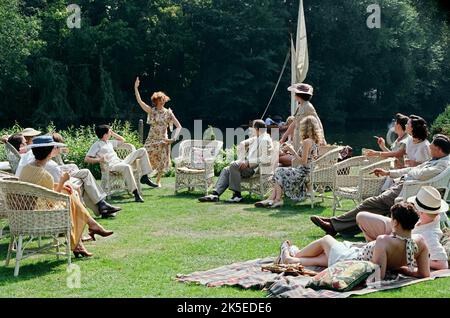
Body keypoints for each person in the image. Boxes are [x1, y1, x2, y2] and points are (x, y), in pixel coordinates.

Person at [310, 134, 450, 237]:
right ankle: (338, 226)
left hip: (410, 191)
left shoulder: (442, 164)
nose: (430, 146)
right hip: (406, 186)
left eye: (432, 145)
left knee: (371, 203)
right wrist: (388, 172)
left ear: (438, 149)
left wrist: (414, 168)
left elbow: (418, 174)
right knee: (375, 208)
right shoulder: (436, 160)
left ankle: (335, 224)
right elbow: (412, 170)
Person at [277, 202, 430, 280]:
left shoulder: (384, 241)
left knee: (326, 240)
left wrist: (394, 268)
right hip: (354, 255)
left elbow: (378, 277)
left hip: (351, 261)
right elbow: (424, 274)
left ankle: (293, 256)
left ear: (395, 222)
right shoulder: (420, 242)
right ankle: (292, 259)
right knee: (324, 258)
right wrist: (400, 268)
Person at [19, 136, 114, 258]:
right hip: (39, 213)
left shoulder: (27, 168)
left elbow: (39, 188)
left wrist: (61, 186)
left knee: (70, 194)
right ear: (48, 153)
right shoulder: (45, 175)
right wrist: (63, 181)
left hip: (24, 210)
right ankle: (87, 233)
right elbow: (52, 200)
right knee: (70, 198)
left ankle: (84, 237)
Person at [357, 186, 449, 270]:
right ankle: (374, 249)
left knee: (379, 240)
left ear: (421, 212)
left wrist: (415, 261)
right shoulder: (431, 217)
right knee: (362, 217)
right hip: (404, 229)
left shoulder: (430, 235)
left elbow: (442, 264)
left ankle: (377, 254)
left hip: (404, 237)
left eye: (416, 207)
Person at [46, 132, 121, 218]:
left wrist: (62, 152)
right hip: (61, 177)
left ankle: (103, 209)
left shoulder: (52, 154)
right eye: (58, 145)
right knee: (85, 173)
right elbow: (56, 169)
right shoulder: (48, 156)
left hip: (62, 175)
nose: (59, 146)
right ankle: (102, 204)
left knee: (85, 182)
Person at [198, 120, 273, 203]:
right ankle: (215, 194)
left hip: (255, 169)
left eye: (252, 128)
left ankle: (237, 195)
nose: (251, 130)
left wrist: (248, 162)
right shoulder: (258, 137)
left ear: (257, 129)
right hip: (247, 165)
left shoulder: (265, 140)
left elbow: (265, 158)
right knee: (226, 170)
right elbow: (247, 142)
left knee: (233, 165)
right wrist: (242, 143)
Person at [255, 116, 321, 208]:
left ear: (305, 127)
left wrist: (292, 151)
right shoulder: (314, 141)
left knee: (278, 171)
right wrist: (290, 150)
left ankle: (275, 199)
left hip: (303, 172)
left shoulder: (307, 142)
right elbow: (309, 158)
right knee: (279, 172)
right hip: (307, 171)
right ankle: (273, 199)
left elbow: (304, 161)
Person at [85, 125, 157, 203]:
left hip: (121, 162)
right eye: (109, 132)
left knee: (142, 150)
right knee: (127, 167)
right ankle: (136, 194)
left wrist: (112, 133)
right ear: (105, 134)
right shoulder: (97, 145)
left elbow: (122, 140)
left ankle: (145, 177)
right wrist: (99, 159)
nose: (111, 133)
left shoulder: (109, 142)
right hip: (112, 166)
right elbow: (87, 159)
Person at [134, 77, 182, 187]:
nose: (163, 101)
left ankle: (158, 181)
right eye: (161, 99)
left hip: (163, 140)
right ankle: (143, 176)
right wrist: (136, 88)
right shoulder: (152, 111)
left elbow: (179, 126)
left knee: (162, 161)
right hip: (151, 139)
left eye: (164, 99)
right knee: (144, 155)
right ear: (156, 101)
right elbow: (139, 101)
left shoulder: (168, 113)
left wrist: (172, 139)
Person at [280, 83, 326, 152]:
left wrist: (321, 138)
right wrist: (284, 137)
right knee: (297, 156)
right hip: (298, 135)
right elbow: (294, 122)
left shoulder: (308, 106)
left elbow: (317, 122)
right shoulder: (300, 106)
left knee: (302, 157)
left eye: (295, 93)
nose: (294, 95)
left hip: (305, 136)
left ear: (299, 95)